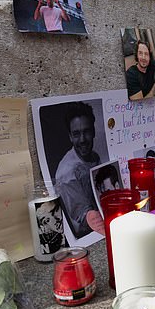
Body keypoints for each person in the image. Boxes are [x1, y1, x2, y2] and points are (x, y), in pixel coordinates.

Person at [55, 102, 101, 238]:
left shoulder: (94, 156)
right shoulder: (67, 173)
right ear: (70, 137)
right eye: (76, 134)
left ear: (93, 131)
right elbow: (85, 219)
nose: (82, 140)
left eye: (86, 132)